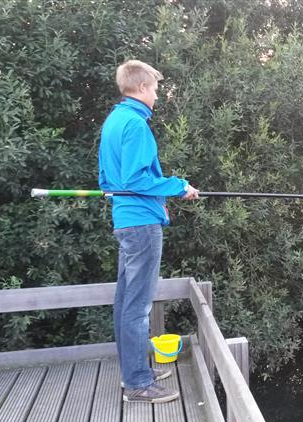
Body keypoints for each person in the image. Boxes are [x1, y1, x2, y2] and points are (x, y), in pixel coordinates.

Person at [98, 60, 199, 403]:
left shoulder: (114, 121)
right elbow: (136, 179)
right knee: (138, 305)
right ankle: (138, 383)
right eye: (155, 89)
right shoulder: (136, 124)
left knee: (125, 300)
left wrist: (162, 193)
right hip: (141, 225)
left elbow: (107, 181)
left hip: (126, 221)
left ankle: (134, 372)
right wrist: (178, 186)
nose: (156, 96)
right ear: (141, 87)